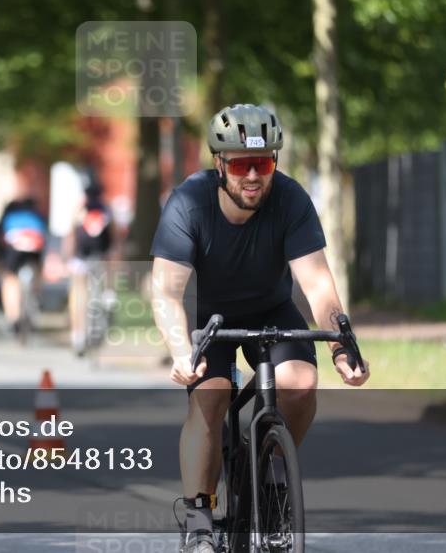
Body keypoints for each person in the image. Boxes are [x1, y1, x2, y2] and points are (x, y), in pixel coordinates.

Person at [150, 104, 370, 553]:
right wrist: (178, 350)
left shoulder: (290, 200)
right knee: (209, 396)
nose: (254, 176)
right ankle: (197, 522)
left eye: (264, 163)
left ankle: (270, 473)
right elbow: (166, 292)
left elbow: (317, 284)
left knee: (301, 383)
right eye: (242, 165)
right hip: (206, 317)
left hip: (270, 308)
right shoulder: (188, 203)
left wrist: (342, 346)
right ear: (219, 164)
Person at [62, 178, 115, 356]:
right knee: (109, 264)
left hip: (81, 257)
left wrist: (67, 258)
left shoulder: (79, 210)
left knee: (78, 291)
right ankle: (109, 295)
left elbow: (70, 236)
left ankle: (77, 335)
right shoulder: (106, 209)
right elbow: (114, 239)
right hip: (101, 256)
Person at [0, 195, 48, 338]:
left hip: (14, 246)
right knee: (36, 270)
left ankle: (13, 317)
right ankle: (36, 297)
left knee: (10, 278)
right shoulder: (37, 216)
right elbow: (43, 241)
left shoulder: (8, 218)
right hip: (35, 245)